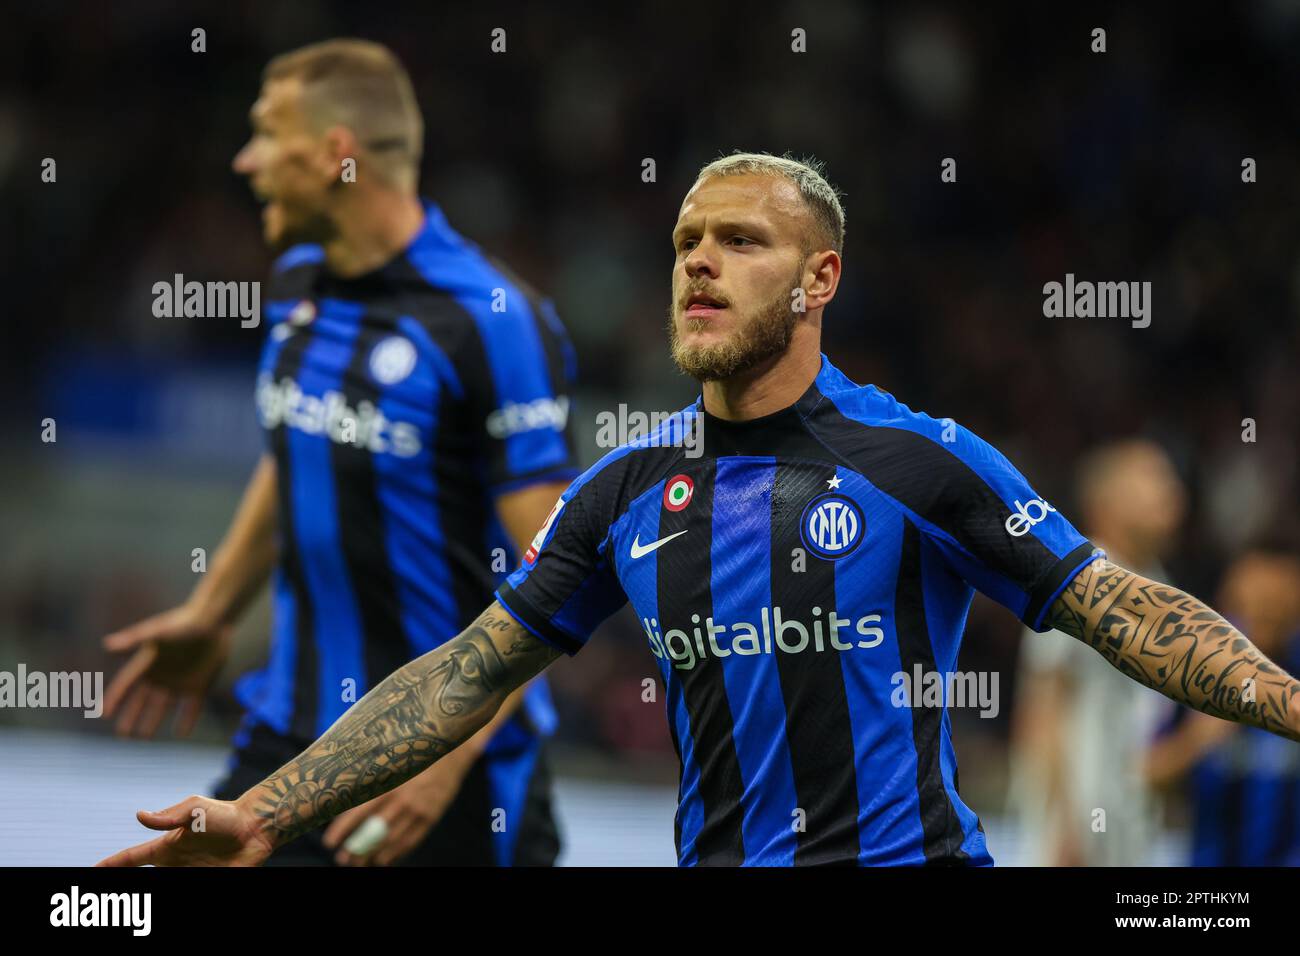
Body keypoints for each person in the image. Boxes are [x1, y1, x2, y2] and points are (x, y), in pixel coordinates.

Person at [98, 151, 1300, 868]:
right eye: (685, 239)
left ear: (820, 277)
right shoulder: (621, 488)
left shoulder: (918, 460)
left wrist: (1289, 701)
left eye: (740, 239)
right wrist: (261, 810)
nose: (699, 261)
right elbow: (465, 669)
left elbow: (1116, 603)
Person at [100, 39, 577, 867]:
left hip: (440, 776)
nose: (246, 161)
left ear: (334, 154)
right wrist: (213, 611)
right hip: (289, 740)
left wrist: (449, 750)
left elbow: (563, 570)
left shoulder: (489, 321)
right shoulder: (295, 285)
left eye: (265, 133)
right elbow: (296, 448)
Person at [1006, 439, 1186, 865]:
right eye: (1152, 478)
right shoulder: (1078, 582)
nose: (1172, 489)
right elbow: (1042, 711)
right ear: (1106, 502)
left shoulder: (1159, 585)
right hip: (1079, 830)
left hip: (1131, 820)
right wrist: (1061, 825)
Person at [1146, 547, 1300, 865]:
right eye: (1255, 607)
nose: (1263, 619)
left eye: (1276, 608)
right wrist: (1198, 740)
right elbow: (1149, 775)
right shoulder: (1197, 674)